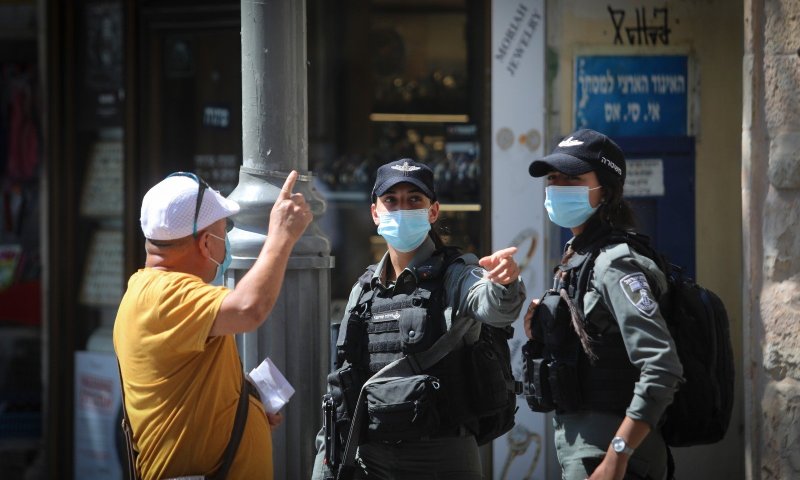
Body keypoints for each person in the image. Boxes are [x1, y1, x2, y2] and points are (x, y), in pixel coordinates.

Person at [312, 158, 526, 480]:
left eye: (414, 200)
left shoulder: (457, 275)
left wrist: (505, 283)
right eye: (391, 200)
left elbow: (495, 306)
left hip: (443, 457)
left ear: (433, 211)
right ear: (375, 213)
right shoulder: (363, 291)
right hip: (373, 460)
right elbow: (343, 382)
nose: (402, 209)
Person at [113, 170, 312, 480]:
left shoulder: (150, 292)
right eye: (225, 230)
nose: (227, 241)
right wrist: (281, 236)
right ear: (206, 243)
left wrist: (247, 403)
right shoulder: (165, 294)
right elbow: (249, 309)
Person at [523, 128, 684, 480]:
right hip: (586, 453)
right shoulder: (579, 256)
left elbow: (662, 367)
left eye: (572, 178)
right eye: (553, 178)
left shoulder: (615, 263)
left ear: (605, 192)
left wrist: (618, 455)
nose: (557, 187)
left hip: (611, 460)